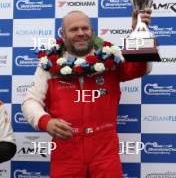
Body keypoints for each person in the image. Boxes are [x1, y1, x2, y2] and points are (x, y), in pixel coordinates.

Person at [22, 9, 152, 178]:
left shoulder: (110, 57)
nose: (81, 33)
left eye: (85, 28)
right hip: (66, 153)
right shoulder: (48, 64)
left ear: (93, 31)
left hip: (105, 153)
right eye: (74, 29)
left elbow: (141, 68)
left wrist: (139, 31)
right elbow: (30, 101)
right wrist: (46, 122)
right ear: (63, 34)